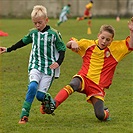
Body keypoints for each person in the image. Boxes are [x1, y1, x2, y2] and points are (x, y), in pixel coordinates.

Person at [42, 17, 133, 121]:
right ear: (98, 35)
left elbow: (131, 44)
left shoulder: (115, 50)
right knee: (74, 84)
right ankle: (53, 104)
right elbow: (69, 43)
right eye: (102, 38)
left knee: (100, 116)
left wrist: (132, 30)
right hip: (84, 78)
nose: (104, 41)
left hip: (97, 87)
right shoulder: (88, 44)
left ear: (111, 41)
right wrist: (73, 43)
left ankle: (105, 112)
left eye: (108, 40)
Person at [0, 5, 66, 124]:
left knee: (40, 96)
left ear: (46, 20)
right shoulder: (33, 33)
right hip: (35, 66)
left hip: (48, 69)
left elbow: (62, 49)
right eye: (35, 23)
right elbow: (22, 42)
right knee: (32, 87)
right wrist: (8, 49)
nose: (37, 25)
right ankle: (24, 115)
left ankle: (47, 98)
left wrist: (58, 62)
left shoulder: (54, 34)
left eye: (39, 23)